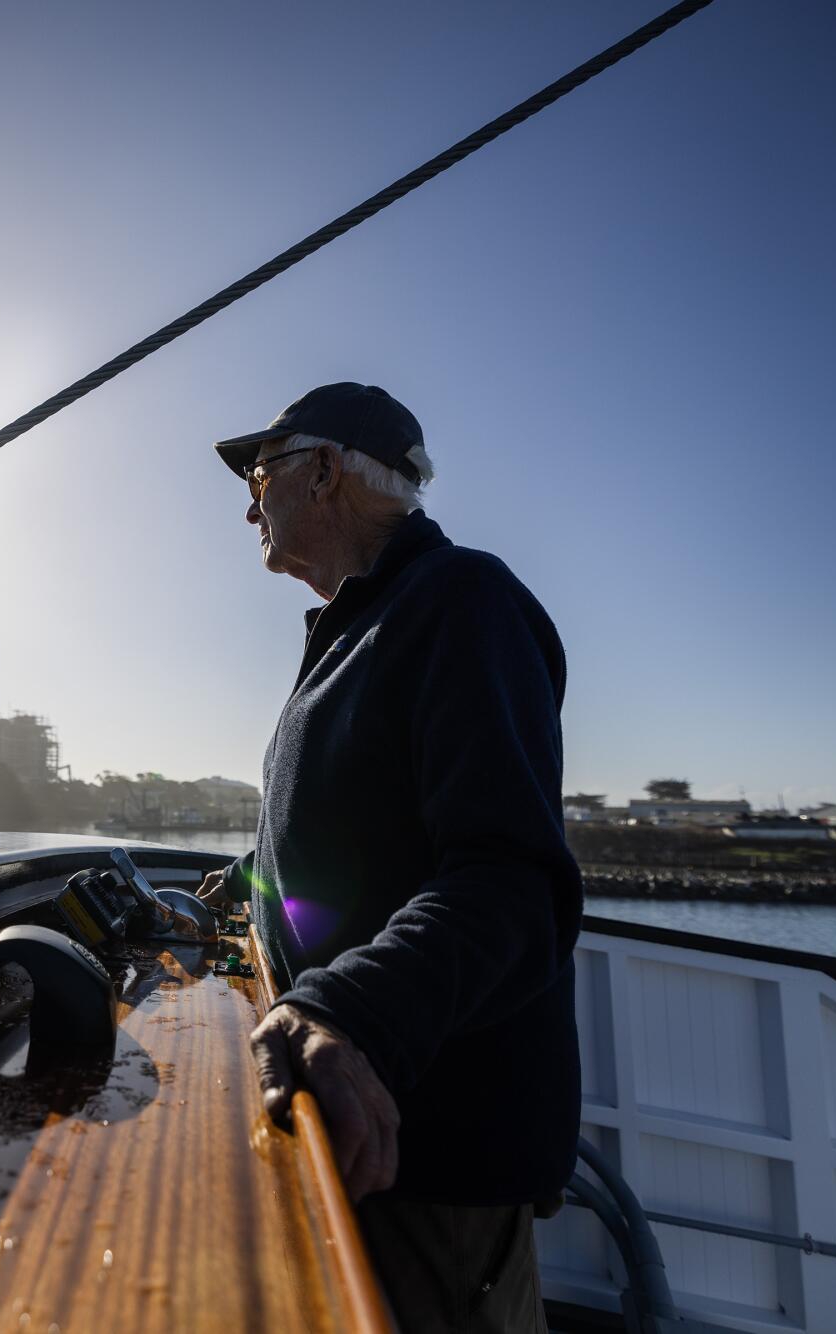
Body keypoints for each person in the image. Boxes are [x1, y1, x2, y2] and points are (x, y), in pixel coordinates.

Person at [196, 382, 581, 1334]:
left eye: (262, 471)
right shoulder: (358, 631)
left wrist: (348, 1008)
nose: (250, 502)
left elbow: (512, 881)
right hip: (354, 1122)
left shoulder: (460, 600)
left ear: (325, 470)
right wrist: (245, 881)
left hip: (425, 1161)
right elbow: (350, 843)